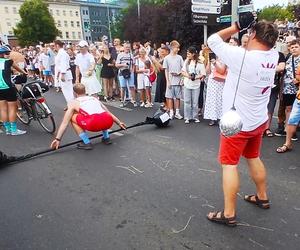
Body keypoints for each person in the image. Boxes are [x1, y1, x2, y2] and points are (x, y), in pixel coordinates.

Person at [206, 20, 279, 226]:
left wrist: (237, 26)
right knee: (253, 157)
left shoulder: (241, 56)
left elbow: (212, 40)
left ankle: (229, 213)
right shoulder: (272, 55)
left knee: (229, 164)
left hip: (236, 124)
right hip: (258, 120)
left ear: (253, 34)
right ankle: (262, 196)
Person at [50, 83, 126, 150]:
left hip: (93, 124)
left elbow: (64, 123)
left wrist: (58, 139)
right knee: (101, 114)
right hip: (108, 122)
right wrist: (119, 123)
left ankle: (87, 142)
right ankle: (106, 138)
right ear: (85, 91)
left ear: (74, 93)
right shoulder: (94, 98)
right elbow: (108, 113)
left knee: (72, 117)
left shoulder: (73, 103)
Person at [275, 39, 300, 140]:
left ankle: (293, 130)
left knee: (296, 110)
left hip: (298, 89)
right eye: (292, 47)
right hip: (287, 88)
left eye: (296, 47)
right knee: (288, 109)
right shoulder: (289, 58)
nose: (293, 49)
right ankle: (288, 130)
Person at [0, 45, 27, 136]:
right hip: (8, 87)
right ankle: (14, 130)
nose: (8, 54)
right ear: (3, 54)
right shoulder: (8, 61)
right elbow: (17, 68)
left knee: (3, 109)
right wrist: (24, 72)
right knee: (12, 108)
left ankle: (7, 129)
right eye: (7, 53)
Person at [181, 46, 206, 124]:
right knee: (187, 101)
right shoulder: (186, 62)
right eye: (187, 53)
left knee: (195, 102)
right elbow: (182, 71)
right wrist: (188, 76)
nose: (187, 55)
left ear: (193, 54)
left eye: (189, 53)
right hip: (187, 84)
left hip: (196, 85)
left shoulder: (200, 63)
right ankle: (187, 117)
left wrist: (195, 77)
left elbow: (203, 74)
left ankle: (195, 117)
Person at [264, 52, 286, 137]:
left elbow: (281, 68)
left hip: (273, 85)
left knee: (270, 108)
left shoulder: (279, 54)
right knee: (257, 107)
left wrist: (265, 68)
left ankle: (266, 128)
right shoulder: (261, 53)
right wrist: (273, 67)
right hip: (259, 85)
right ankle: (257, 128)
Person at [163, 40, 184, 119]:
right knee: (170, 97)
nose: (178, 49)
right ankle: (171, 112)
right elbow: (166, 70)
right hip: (170, 81)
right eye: (177, 48)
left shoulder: (179, 57)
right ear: (172, 48)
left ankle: (177, 112)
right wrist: (168, 81)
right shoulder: (167, 58)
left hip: (178, 81)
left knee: (178, 97)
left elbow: (183, 68)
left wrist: (179, 74)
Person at [115, 42, 137, 107]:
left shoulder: (131, 55)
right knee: (123, 87)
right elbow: (116, 65)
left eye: (128, 47)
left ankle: (134, 100)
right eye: (126, 47)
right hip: (122, 73)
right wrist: (123, 65)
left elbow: (133, 64)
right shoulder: (120, 55)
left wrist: (132, 71)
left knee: (132, 87)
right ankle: (122, 101)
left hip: (130, 73)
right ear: (124, 48)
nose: (127, 48)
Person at [153, 45, 170, 110]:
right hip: (160, 76)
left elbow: (162, 68)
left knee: (164, 91)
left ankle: (168, 106)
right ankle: (165, 105)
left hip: (164, 77)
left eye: (163, 52)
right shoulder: (161, 59)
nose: (161, 53)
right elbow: (157, 69)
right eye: (161, 52)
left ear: (167, 52)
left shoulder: (167, 59)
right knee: (161, 91)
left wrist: (155, 61)